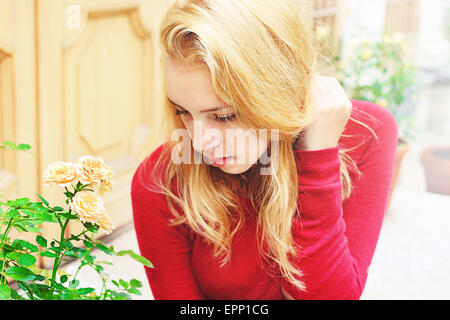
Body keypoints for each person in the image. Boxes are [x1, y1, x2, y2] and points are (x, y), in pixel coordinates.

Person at [131, 0, 398, 300]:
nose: (199, 142)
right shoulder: (161, 181)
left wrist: (318, 154)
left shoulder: (365, 134)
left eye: (223, 116)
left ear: (277, 90)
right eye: (183, 112)